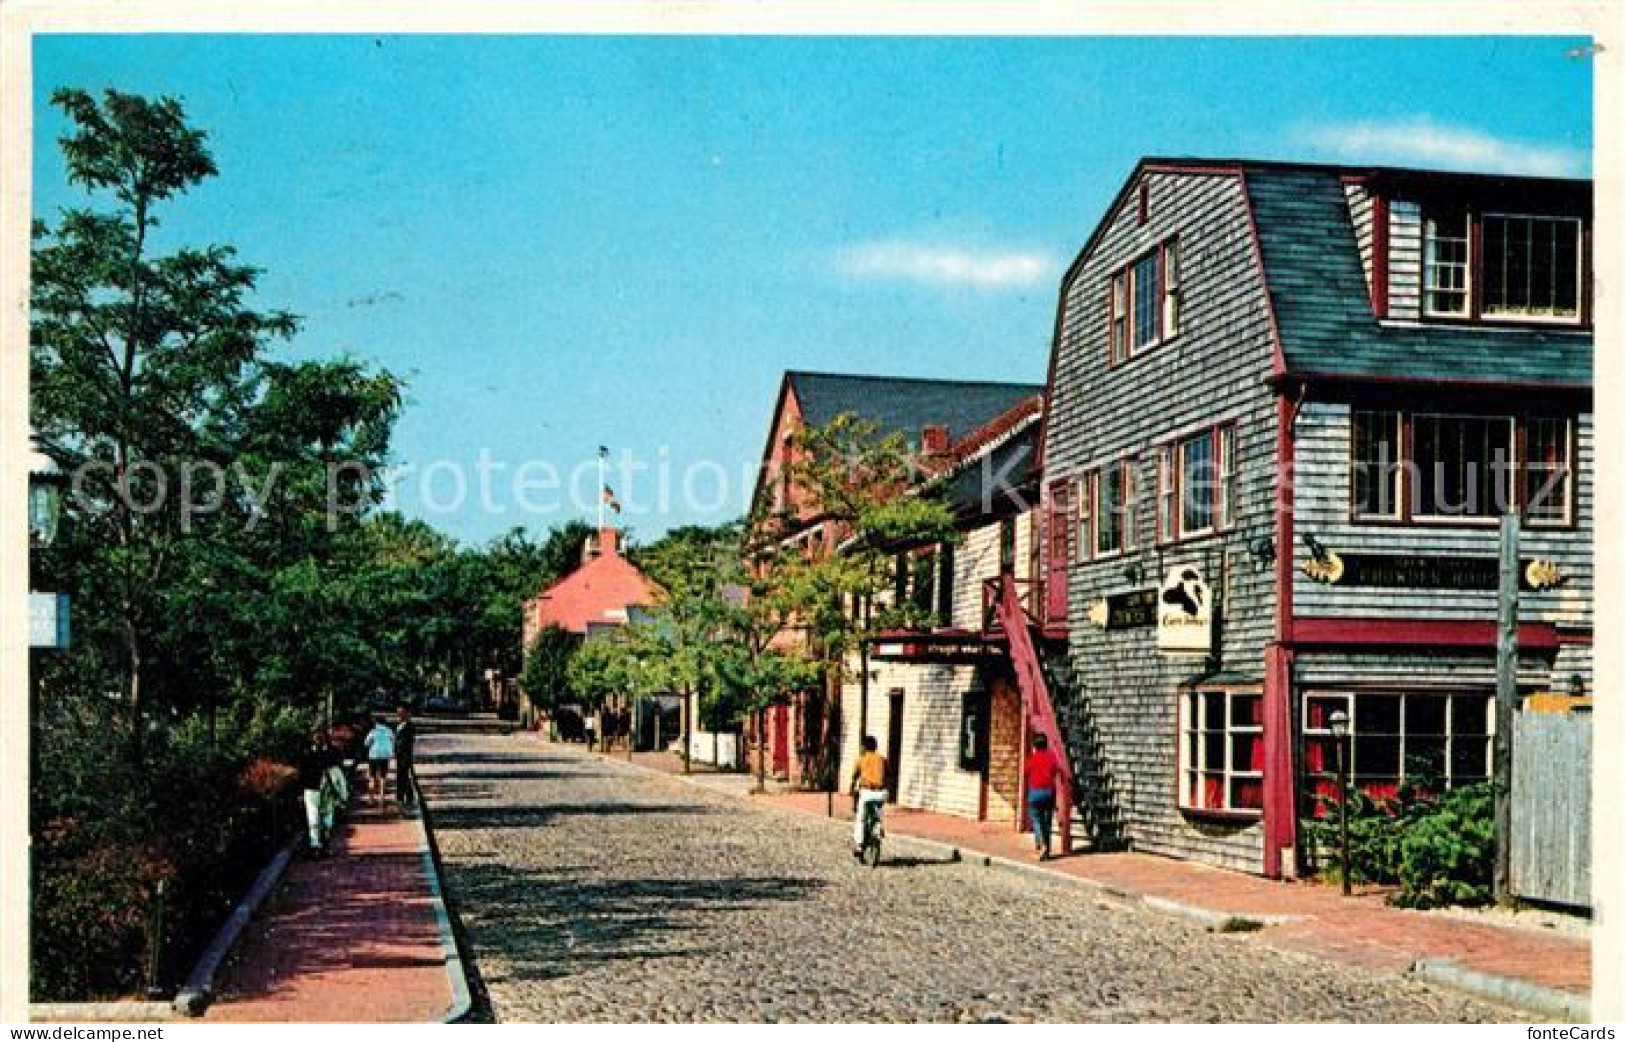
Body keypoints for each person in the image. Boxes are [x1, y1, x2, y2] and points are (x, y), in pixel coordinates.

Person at [297, 727, 337, 855]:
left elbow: (335, 768)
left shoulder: (330, 751)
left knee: (327, 819)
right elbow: (302, 771)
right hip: (312, 787)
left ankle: (324, 844)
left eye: (320, 735)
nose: (318, 738)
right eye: (316, 735)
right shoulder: (306, 752)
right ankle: (315, 845)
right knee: (313, 817)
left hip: (326, 788)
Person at [1025, 732, 1063, 860]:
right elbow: (1057, 771)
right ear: (1046, 745)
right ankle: (1045, 853)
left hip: (1035, 792)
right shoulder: (1051, 758)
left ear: (1034, 745)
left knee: (1036, 820)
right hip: (1048, 792)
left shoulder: (1032, 758)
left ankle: (1041, 845)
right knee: (1047, 823)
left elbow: (1026, 772)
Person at [849, 735, 888, 857]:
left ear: (864, 747)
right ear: (876, 746)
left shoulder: (861, 759)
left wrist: (852, 788)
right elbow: (889, 774)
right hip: (882, 793)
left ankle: (859, 845)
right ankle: (878, 825)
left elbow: (854, 776)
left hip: (867, 792)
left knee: (860, 818)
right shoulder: (882, 759)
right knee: (877, 811)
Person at [364, 716, 396, 806]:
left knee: (372, 777)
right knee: (383, 777)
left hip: (373, 756)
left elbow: (366, 743)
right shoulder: (389, 731)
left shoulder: (373, 731)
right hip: (385, 756)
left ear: (376, 723)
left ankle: (371, 799)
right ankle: (381, 799)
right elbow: (393, 741)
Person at [394, 705, 417, 811]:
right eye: (398, 712)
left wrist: (399, 748)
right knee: (402, 775)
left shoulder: (410, 726)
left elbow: (407, 741)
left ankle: (402, 797)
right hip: (399, 755)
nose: (399, 714)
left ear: (406, 713)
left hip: (405, 755)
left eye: (401, 712)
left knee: (403, 776)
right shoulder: (399, 725)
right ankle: (407, 796)